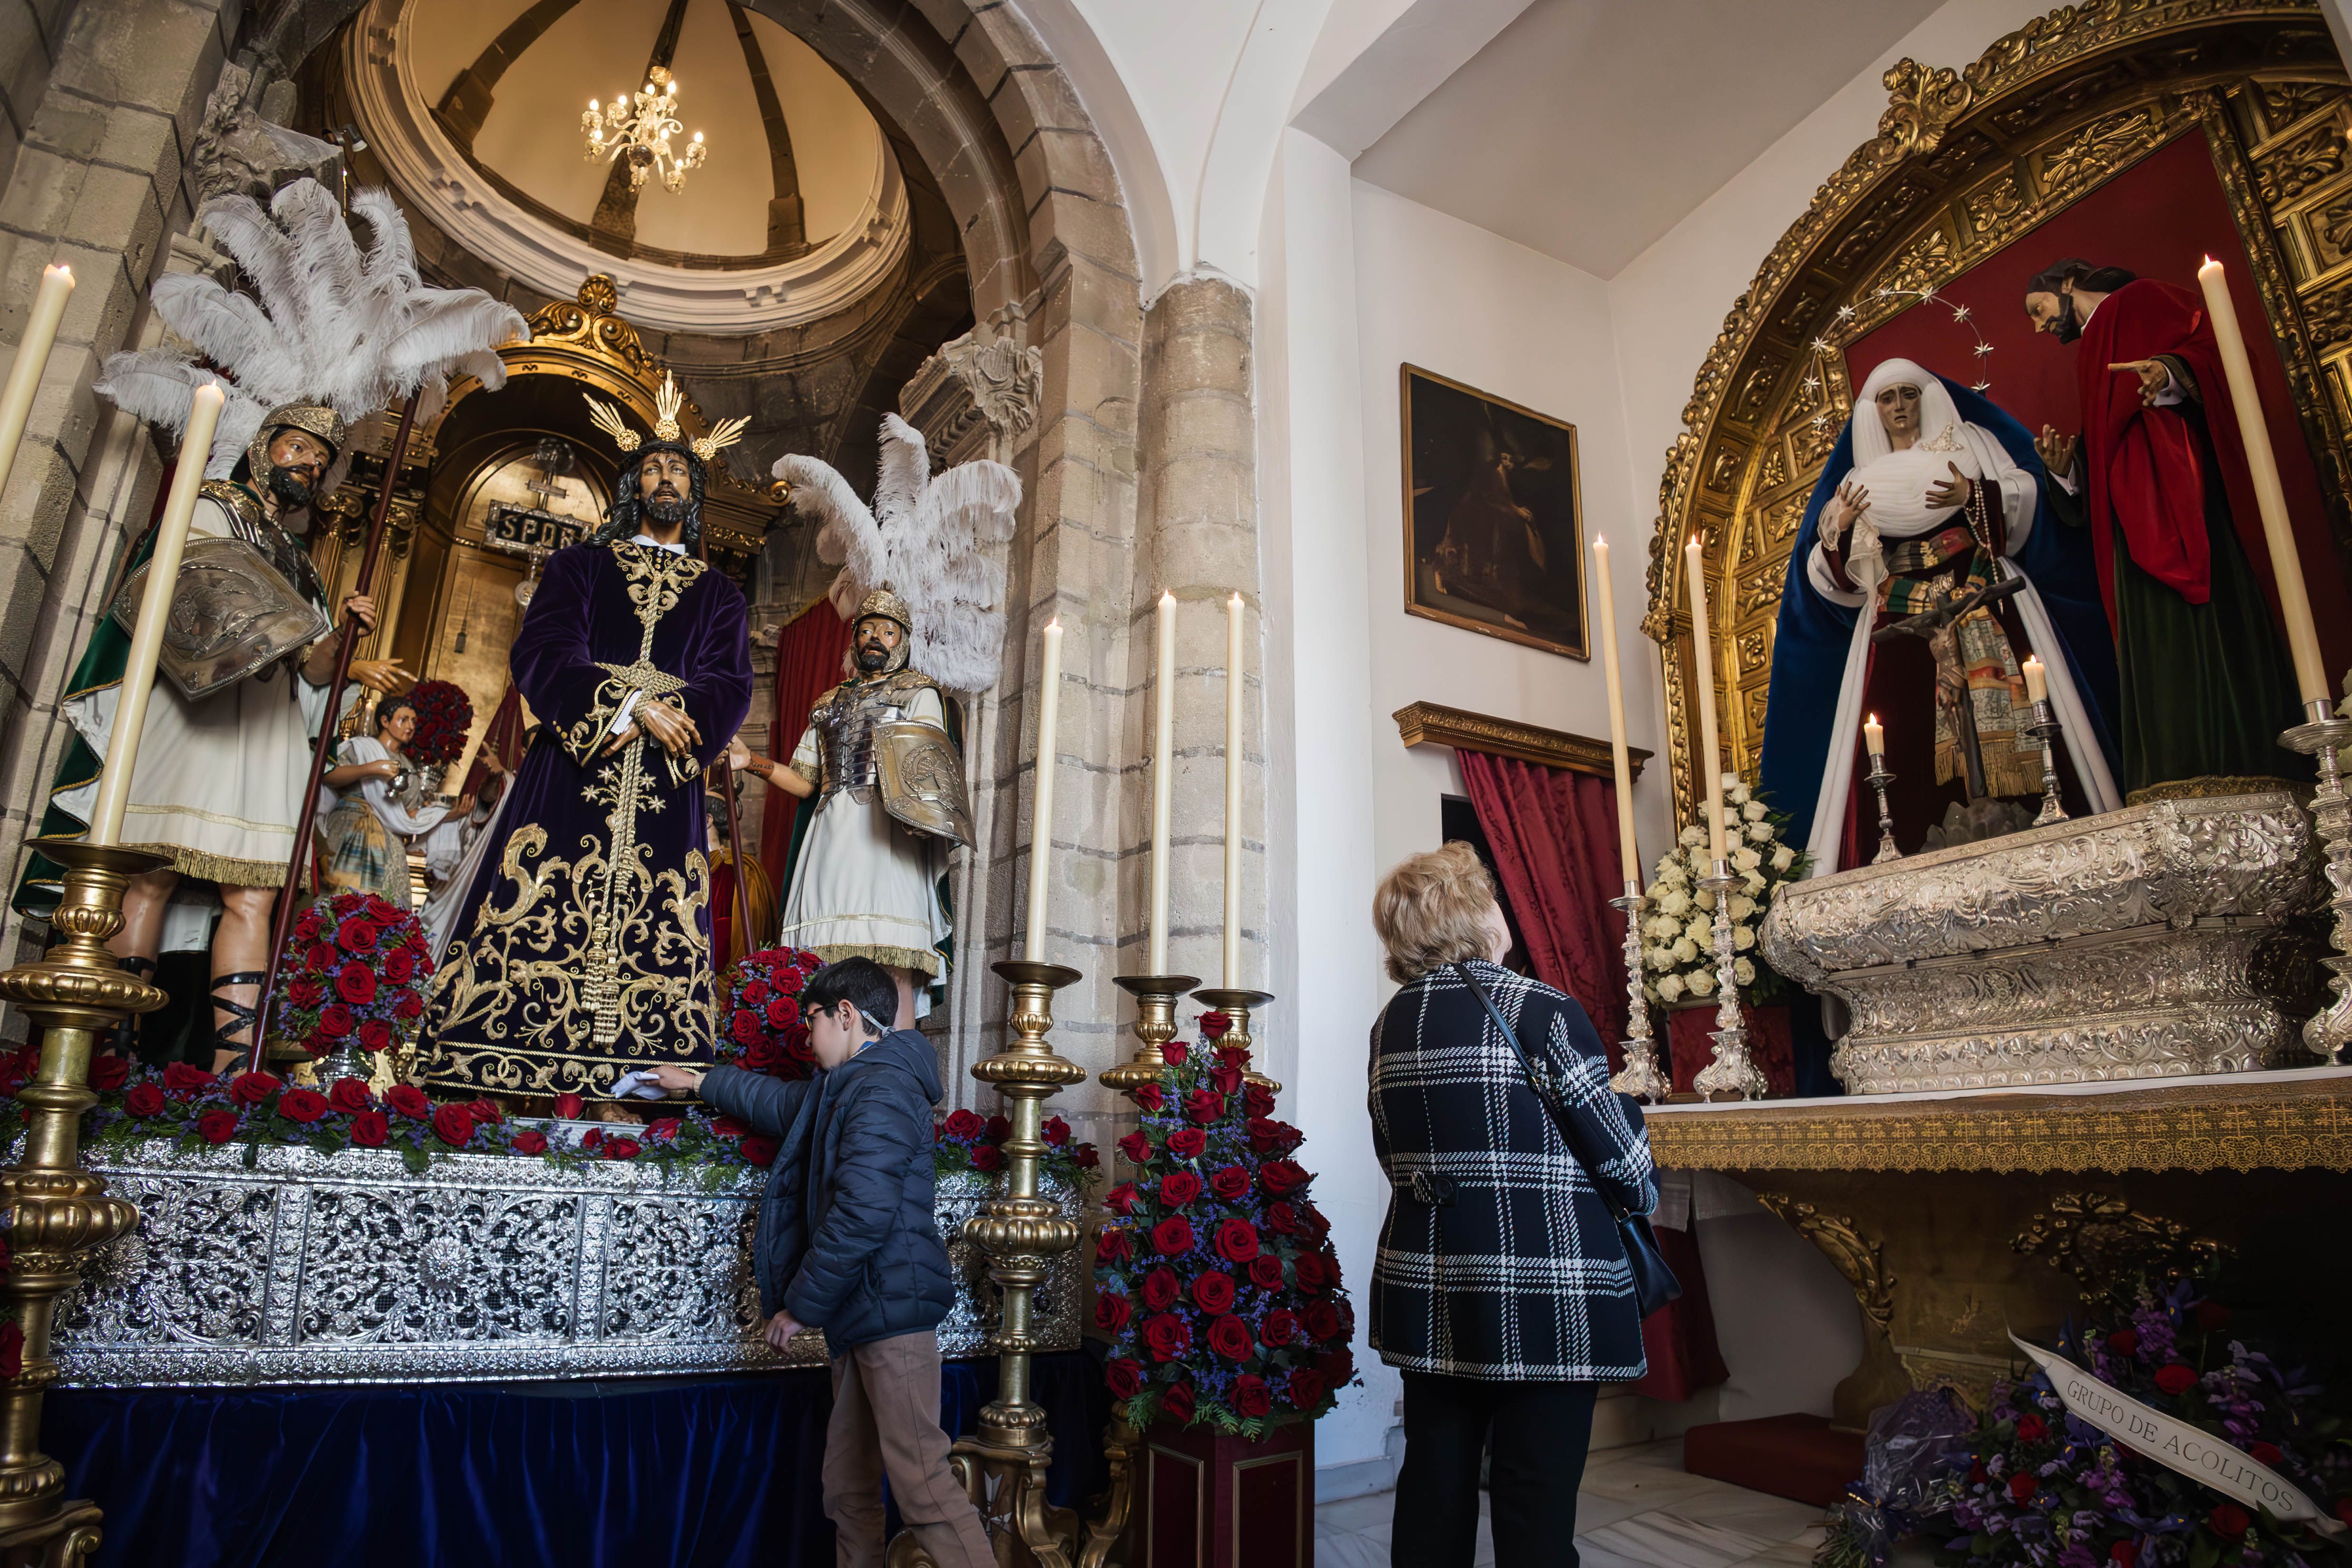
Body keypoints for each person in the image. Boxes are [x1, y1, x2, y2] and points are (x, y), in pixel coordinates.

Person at [13, 405, 402, 1070]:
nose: (308, 463)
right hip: (197, 716)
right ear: (261, 449)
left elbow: (311, 667)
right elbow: (181, 598)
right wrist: (283, 629)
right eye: (297, 448)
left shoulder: (302, 560)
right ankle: (115, 1057)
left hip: (265, 731)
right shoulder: (212, 508)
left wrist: (340, 632)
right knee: (152, 878)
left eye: (319, 458)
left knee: (253, 893)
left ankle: (231, 1076)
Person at [423, 380, 753, 1103]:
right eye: (653, 470)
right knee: (538, 893)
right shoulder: (580, 565)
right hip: (571, 768)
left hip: (667, 783)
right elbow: (542, 651)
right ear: (633, 485)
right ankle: (503, 1071)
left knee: (659, 915)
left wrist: (678, 716)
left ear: (693, 493)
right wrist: (630, 705)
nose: (665, 479)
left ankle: (642, 1081)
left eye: (679, 472)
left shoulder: (720, 594)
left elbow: (729, 682)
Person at [643, 957, 993, 1568]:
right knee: (848, 1488)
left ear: (847, 1015)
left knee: (923, 1487)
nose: (807, 1039)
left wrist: (800, 1307)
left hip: (891, 1311)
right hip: (861, 1310)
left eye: (813, 1022)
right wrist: (695, 1082)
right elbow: (779, 1102)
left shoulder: (881, 1087)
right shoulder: (849, 1085)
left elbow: (863, 1210)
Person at [1367, 841, 1657, 1568]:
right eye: (1490, 898)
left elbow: (1393, 1155)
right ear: (1471, 912)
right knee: (1534, 1499)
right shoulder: (1539, 1006)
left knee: (1433, 1487)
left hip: (1430, 1285)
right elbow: (1623, 1164)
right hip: (1542, 1287)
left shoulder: (1389, 1025)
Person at [1757, 358, 2122, 868]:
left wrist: (1972, 496)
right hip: (1900, 617)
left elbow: (2022, 508)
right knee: (1901, 734)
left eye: (1908, 394)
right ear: (1873, 411)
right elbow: (1835, 580)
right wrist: (1838, 527)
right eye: (1887, 398)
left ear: (1924, 398)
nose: (1900, 407)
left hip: (1982, 590)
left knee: (2025, 710)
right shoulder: (1855, 483)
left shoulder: (1967, 444)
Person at [2022, 258, 2305, 793]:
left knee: (2205, 625)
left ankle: (2242, 772)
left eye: (2037, 310)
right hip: (2129, 524)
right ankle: (2174, 784)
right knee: (2155, 646)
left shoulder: (2142, 298)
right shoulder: (2092, 345)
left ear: (2063, 283)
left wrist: (2169, 373)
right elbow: (2107, 440)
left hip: (2181, 495)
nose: (2039, 326)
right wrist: (2066, 473)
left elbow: (2218, 354)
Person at [729, 588, 955, 1027]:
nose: (875, 638)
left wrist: (925, 822)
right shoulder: (826, 703)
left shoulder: (919, 692)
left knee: (894, 958)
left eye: (888, 632)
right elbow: (805, 780)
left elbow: (926, 769)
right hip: (830, 837)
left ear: (903, 643)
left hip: (888, 835)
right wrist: (751, 761)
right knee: (824, 968)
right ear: (854, 640)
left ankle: (897, 1071)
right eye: (867, 629)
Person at [315, 693, 473, 905]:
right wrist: (371, 769)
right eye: (404, 719)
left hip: (389, 841)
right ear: (385, 721)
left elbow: (409, 814)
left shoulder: (408, 767)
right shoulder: (361, 748)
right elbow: (328, 776)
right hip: (349, 828)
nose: (410, 726)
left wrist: (448, 815)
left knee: (385, 907)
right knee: (340, 901)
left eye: (414, 721)